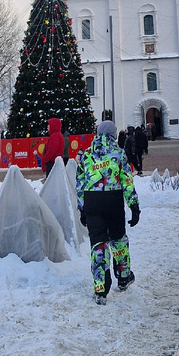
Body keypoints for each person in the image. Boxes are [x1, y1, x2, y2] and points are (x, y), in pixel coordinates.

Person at [75, 120, 139, 304]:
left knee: (98, 244)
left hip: (92, 202)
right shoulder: (119, 153)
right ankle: (124, 276)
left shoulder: (87, 154)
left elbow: (80, 183)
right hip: (113, 201)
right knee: (118, 240)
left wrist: (82, 208)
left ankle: (100, 288)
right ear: (113, 135)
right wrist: (134, 206)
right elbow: (127, 181)